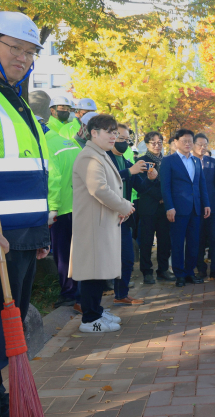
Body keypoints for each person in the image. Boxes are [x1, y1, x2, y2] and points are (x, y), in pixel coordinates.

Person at [0, 13, 51, 417]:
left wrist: (38, 233)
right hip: (3, 236)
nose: (22, 57)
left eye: (29, 51)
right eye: (13, 47)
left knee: (8, 330)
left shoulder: (16, 99)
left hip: (22, 235)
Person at [70, 114, 134, 332]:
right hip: (92, 225)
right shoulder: (89, 157)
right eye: (109, 131)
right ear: (94, 133)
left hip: (100, 222)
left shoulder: (100, 154)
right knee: (91, 271)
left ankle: (95, 310)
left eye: (115, 132)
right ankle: (89, 318)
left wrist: (122, 206)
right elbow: (99, 189)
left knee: (98, 270)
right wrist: (124, 206)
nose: (114, 136)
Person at [107, 125, 154, 305]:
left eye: (127, 140)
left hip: (123, 218)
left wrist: (150, 178)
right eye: (121, 139)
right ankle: (87, 301)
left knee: (127, 258)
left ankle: (121, 294)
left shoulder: (126, 161)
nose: (124, 143)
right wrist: (129, 172)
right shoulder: (104, 158)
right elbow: (103, 182)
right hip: (106, 216)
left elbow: (139, 187)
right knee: (105, 259)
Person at [161, 129, 211, 287]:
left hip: (196, 208)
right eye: (185, 141)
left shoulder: (196, 161)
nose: (188, 144)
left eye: (190, 141)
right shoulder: (169, 161)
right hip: (177, 209)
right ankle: (179, 274)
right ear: (176, 142)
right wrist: (169, 207)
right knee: (177, 243)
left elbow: (201, 184)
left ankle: (190, 272)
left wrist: (206, 204)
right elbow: (165, 186)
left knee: (193, 242)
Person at [47, 113, 85, 308]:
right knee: (76, 251)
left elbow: (53, 179)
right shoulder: (69, 144)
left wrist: (52, 208)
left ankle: (69, 293)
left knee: (62, 253)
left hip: (60, 209)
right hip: (78, 206)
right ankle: (79, 291)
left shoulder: (46, 145)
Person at [137, 132, 175, 284]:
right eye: (153, 143)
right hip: (148, 207)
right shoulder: (141, 161)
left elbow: (170, 183)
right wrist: (160, 195)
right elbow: (140, 185)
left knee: (164, 240)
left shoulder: (166, 161)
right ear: (147, 144)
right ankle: (147, 271)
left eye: (159, 143)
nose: (157, 145)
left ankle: (163, 269)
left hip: (164, 207)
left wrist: (164, 198)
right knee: (146, 241)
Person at [192, 133, 215, 280]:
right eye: (200, 144)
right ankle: (200, 269)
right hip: (196, 207)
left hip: (212, 205)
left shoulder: (211, 161)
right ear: (193, 145)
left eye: (205, 145)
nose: (202, 147)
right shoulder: (188, 161)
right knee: (198, 239)